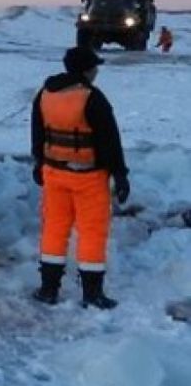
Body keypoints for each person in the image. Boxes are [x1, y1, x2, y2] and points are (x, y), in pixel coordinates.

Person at [30, 46, 129, 309]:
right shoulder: (92, 98)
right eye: (95, 67)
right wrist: (120, 174)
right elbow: (110, 141)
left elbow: (38, 134)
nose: (97, 71)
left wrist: (39, 163)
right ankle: (92, 294)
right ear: (87, 70)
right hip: (89, 177)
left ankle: (48, 289)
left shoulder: (45, 94)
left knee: (54, 229)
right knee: (92, 232)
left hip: (54, 173)